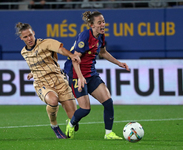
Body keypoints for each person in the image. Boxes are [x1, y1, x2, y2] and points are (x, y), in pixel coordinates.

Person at [64, 11, 130, 139]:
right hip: (77, 75)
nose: (103, 24)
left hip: (91, 74)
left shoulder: (100, 35)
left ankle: (108, 133)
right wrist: (81, 77)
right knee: (85, 109)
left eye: (103, 22)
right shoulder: (85, 36)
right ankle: (71, 124)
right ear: (91, 25)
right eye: (99, 22)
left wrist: (118, 63)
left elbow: (103, 52)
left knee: (108, 102)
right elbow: (75, 59)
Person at [15, 22, 80, 139]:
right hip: (42, 83)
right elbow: (36, 64)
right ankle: (54, 125)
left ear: (33, 33)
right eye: (25, 37)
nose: (29, 38)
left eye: (30, 35)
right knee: (53, 100)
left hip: (60, 81)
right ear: (21, 38)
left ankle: (70, 123)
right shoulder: (23, 52)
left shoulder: (46, 43)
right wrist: (33, 73)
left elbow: (60, 50)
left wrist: (71, 55)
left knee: (74, 120)